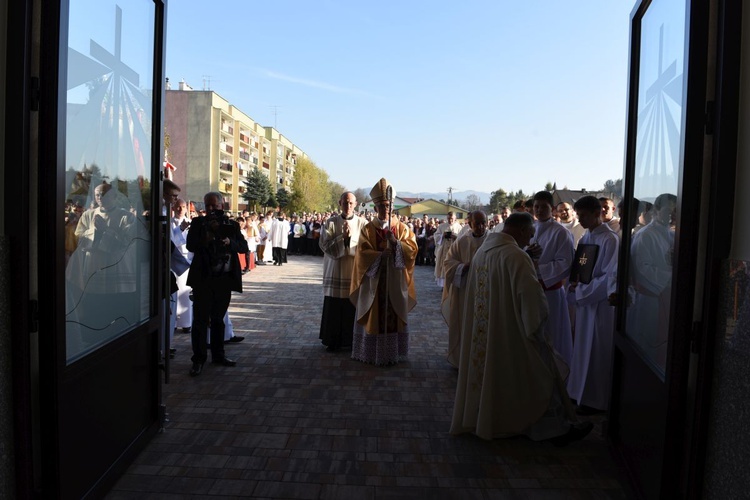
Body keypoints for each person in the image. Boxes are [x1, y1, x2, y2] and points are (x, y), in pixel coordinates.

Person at [450, 212, 592, 444]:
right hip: (512, 332)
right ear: (521, 230)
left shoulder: (483, 253)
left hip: (485, 332)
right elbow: (531, 299)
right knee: (537, 375)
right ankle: (550, 429)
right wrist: (536, 327)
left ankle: (491, 420)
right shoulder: (515, 256)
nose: (531, 239)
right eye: (530, 234)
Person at [350, 178, 418, 365]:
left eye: (388, 205)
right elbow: (361, 254)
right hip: (375, 282)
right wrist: (380, 255)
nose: (385, 209)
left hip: (395, 281)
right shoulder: (368, 229)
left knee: (393, 312)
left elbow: (412, 250)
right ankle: (372, 353)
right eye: (381, 206)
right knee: (374, 314)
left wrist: (396, 243)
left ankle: (392, 353)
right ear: (375, 208)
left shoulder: (402, 228)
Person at [186, 192, 248, 376]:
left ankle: (218, 355)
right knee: (199, 321)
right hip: (203, 279)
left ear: (222, 205)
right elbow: (190, 245)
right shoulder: (198, 223)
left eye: (214, 205)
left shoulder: (232, 225)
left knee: (218, 320)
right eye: (207, 205)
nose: (211, 209)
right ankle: (198, 359)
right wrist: (205, 240)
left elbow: (244, 247)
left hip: (223, 279)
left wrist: (230, 242)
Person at [567, 195, 619, 414]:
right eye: (578, 216)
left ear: (597, 213)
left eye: (584, 215)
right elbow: (581, 266)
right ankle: (578, 392)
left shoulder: (610, 239)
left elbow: (610, 276)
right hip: (585, 302)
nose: (580, 220)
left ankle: (595, 400)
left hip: (599, 306)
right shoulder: (586, 236)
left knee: (596, 350)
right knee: (582, 348)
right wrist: (574, 281)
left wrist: (581, 290)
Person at [627, 193, 676, 369]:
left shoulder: (672, 235)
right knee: (646, 345)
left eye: (675, 210)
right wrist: (672, 277)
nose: (673, 214)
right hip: (650, 300)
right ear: (656, 209)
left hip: (666, 298)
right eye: (668, 210)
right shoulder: (645, 235)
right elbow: (642, 268)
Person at [529, 191, 575, 365]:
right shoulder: (530, 228)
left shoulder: (560, 233)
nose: (539, 210)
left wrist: (538, 268)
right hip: (530, 291)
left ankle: (556, 373)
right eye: (536, 206)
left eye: (543, 207)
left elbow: (565, 263)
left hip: (550, 293)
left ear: (553, 209)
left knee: (552, 335)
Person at [319, 192, 367, 352]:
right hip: (335, 271)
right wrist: (343, 238)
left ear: (356, 204)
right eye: (345, 203)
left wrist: (350, 239)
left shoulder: (363, 223)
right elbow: (325, 245)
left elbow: (366, 247)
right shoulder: (330, 222)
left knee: (351, 306)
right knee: (334, 306)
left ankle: (352, 340)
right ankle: (332, 340)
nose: (348, 206)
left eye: (351, 203)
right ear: (340, 203)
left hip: (354, 272)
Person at [441, 210, 489, 367]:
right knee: (466, 324)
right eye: (477, 223)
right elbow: (448, 263)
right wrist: (462, 267)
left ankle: (485, 362)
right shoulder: (462, 242)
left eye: (484, 223)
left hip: (487, 293)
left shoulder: (492, 241)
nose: (481, 227)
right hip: (466, 291)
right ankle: (463, 359)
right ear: (470, 224)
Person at [434, 212, 462, 287]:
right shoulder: (442, 226)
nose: (450, 220)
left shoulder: (459, 227)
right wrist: (442, 236)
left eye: (452, 218)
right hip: (444, 250)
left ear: (455, 218)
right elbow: (436, 236)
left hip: (454, 250)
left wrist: (455, 236)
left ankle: (452, 284)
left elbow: (462, 239)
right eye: (449, 218)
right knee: (443, 266)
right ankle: (443, 285)